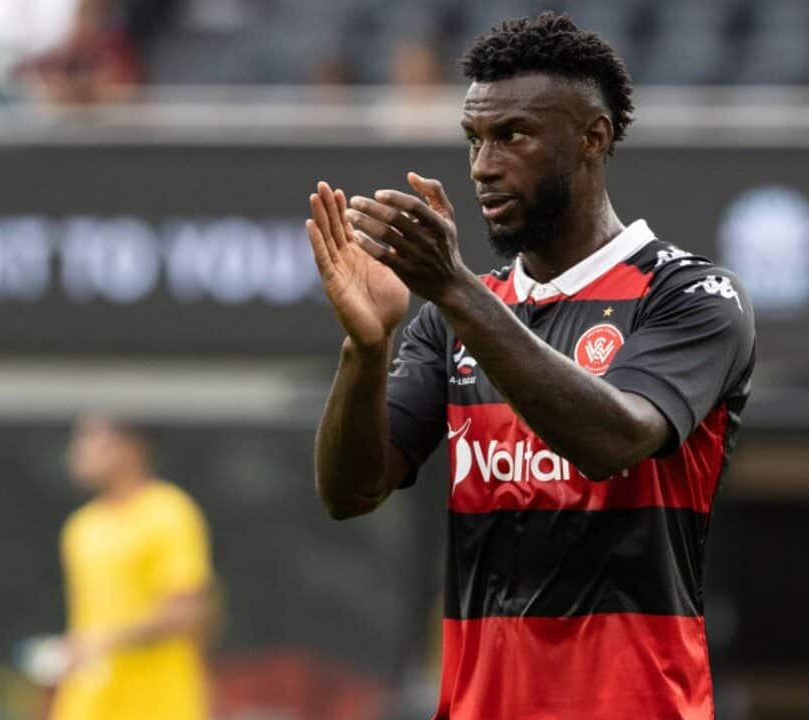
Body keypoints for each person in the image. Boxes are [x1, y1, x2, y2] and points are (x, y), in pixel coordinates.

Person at [304, 12, 756, 719]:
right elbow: (350, 491)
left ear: (592, 138)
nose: (484, 164)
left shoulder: (690, 295)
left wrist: (452, 290)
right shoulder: (456, 315)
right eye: (474, 139)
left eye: (512, 135)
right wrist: (365, 349)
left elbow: (611, 442)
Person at [50, 415, 214, 720]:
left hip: (158, 702)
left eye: (90, 439)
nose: (78, 451)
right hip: (89, 701)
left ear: (130, 448)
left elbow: (188, 612)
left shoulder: (168, 512)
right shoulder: (81, 527)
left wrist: (106, 640)